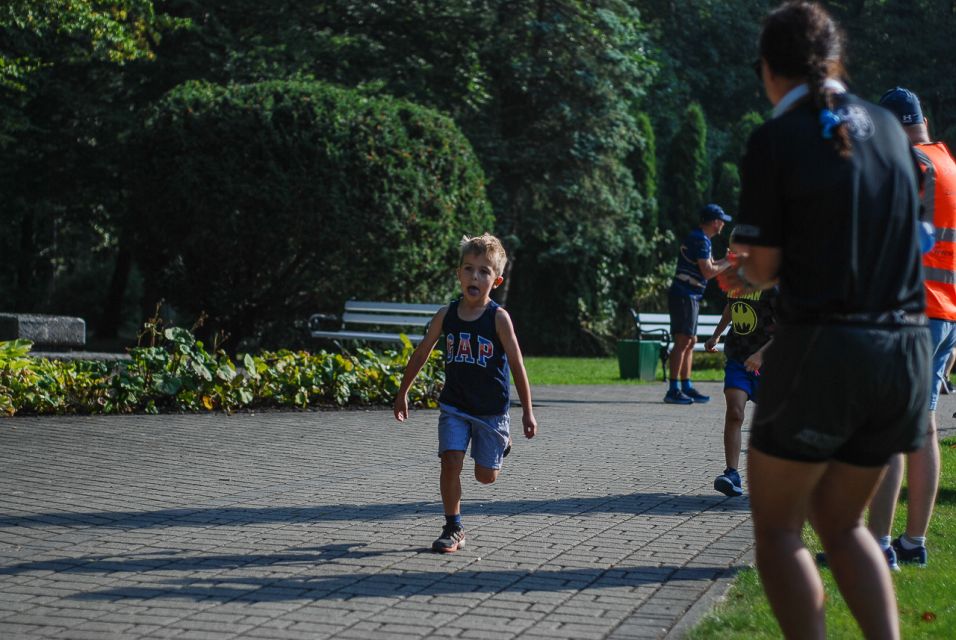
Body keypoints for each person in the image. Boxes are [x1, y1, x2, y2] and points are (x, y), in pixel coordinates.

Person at [728, 2, 930, 638]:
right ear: (834, 59)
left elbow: (764, 266)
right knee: (844, 525)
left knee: (780, 528)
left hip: (823, 349)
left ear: (768, 69)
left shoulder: (776, 139)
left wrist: (741, 275)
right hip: (902, 355)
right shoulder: (892, 131)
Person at [393, 233, 538, 553]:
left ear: (496, 280)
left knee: (486, 477)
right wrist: (403, 391)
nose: (475, 276)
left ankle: (502, 443)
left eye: (484, 271)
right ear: (458, 273)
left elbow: (517, 365)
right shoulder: (447, 314)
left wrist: (527, 411)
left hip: (491, 412)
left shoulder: (498, 318)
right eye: (469, 269)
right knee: (450, 461)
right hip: (455, 406)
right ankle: (453, 526)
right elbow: (421, 353)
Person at [866, 87, 956, 568]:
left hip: (911, 313)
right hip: (945, 315)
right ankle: (913, 542)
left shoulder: (909, 167)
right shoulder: (948, 166)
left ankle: (878, 546)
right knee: (923, 427)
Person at [705, 263, 777, 497]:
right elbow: (730, 308)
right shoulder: (734, 281)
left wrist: (761, 355)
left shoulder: (772, 283)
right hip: (738, 357)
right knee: (735, 412)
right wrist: (716, 335)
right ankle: (732, 474)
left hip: (770, 361)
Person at [664, 203, 732, 405]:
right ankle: (673, 389)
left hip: (690, 295)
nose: (723, 225)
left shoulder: (702, 239)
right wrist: (730, 262)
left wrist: (727, 260)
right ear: (714, 221)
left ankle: (686, 386)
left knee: (691, 341)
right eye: (721, 221)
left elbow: (710, 266)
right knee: (683, 341)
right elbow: (708, 272)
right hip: (685, 293)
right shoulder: (701, 240)